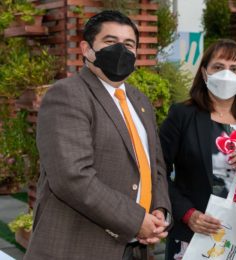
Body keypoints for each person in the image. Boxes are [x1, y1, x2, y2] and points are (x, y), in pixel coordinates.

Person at [25, 10, 171, 260]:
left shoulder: (139, 100)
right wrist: (136, 221)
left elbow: (155, 165)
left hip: (137, 249)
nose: (121, 51)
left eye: (129, 44)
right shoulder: (68, 95)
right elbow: (72, 178)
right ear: (86, 48)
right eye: (110, 42)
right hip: (78, 248)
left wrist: (159, 210)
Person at [159, 39, 236, 259]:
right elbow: (157, 171)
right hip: (193, 236)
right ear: (204, 72)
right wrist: (186, 213)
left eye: (234, 68)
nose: (226, 74)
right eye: (218, 67)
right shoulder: (182, 115)